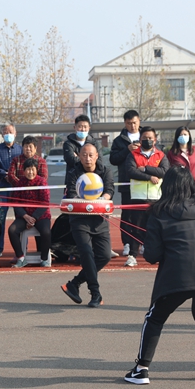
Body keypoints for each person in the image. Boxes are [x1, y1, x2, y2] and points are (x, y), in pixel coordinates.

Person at [124, 166, 195, 385]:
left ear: (167, 186)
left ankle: (141, 369)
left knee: (155, 318)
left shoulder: (158, 212)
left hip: (176, 273)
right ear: (191, 185)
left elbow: (152, 255)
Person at [60, 142, 114, 308]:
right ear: (79, 156)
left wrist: (102, 199)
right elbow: (71, 193)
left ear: (97, 156)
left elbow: (110, 190)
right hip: (79, 219)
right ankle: (95, 293)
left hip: (99, 219)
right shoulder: (73, 173)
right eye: (84, 155)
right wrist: (86, 201)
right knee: (86, 253)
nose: (88, 158)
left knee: (104, 255)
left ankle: (74, 283)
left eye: (91, 155)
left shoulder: (105, 171)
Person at [124, 126, 169, 267]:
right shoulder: (133, 155)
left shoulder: (161, 155)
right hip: (138, 197)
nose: (147, 140)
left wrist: (145, 169)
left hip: (156, 198)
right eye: (144, 138)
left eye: (150, 138)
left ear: (155, 140)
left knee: (156, 228)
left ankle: (157, 254)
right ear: (140, 139)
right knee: (136, 228)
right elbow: (131, 171)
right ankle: (132, 255)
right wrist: (149, 177)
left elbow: (165, 171)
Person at [8, 158, 52, 268]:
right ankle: (21, 258)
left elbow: (45, 203)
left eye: (33, 169)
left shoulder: (42, 182)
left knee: (46, 232)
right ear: (23, 171)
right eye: (28, 169)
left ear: (36, 170)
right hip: (24, 216)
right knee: (12, 230)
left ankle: (44, 258)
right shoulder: (19, 183)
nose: (30, 172)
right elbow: (15, 203)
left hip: (41, 216)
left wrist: (34, 218)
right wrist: (25, 216)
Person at [109, 110, 141, 257]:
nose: (132, 126)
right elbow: (113, 159)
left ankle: (143, 242)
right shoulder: (119, 140)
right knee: (127, 214)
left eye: (134, 122)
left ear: (139, 121)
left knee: (144, 214)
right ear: (125, 123)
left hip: (145, 183)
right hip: (127, 182)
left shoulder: (146, 136)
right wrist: (126, 150)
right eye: (129, 123)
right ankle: (127, 243)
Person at [0, 123, 23, 253]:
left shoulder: (20, 149)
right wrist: (5, 175)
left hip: (17, 187)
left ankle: (20, 250)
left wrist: (13, 176)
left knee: (20, 217)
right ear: (2, 134)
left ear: (15, 133)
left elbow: (24, 166)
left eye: (10, 132)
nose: (8, 134)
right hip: (2, 186)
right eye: (5, 132)